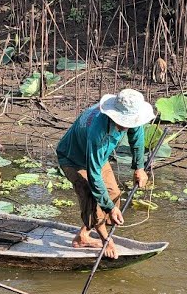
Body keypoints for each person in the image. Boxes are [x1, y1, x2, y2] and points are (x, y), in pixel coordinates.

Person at [55, 89, 155, 259]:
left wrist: (139, 167)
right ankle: (104, 239)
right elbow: (94, 177)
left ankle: (82, 236)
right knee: (92, 198)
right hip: (72, 158)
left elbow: (137, 139)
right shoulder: (98, 132)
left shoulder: (133, 120)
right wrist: (107, 239)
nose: (128, 126)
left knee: (114, 194)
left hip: (98, 158)